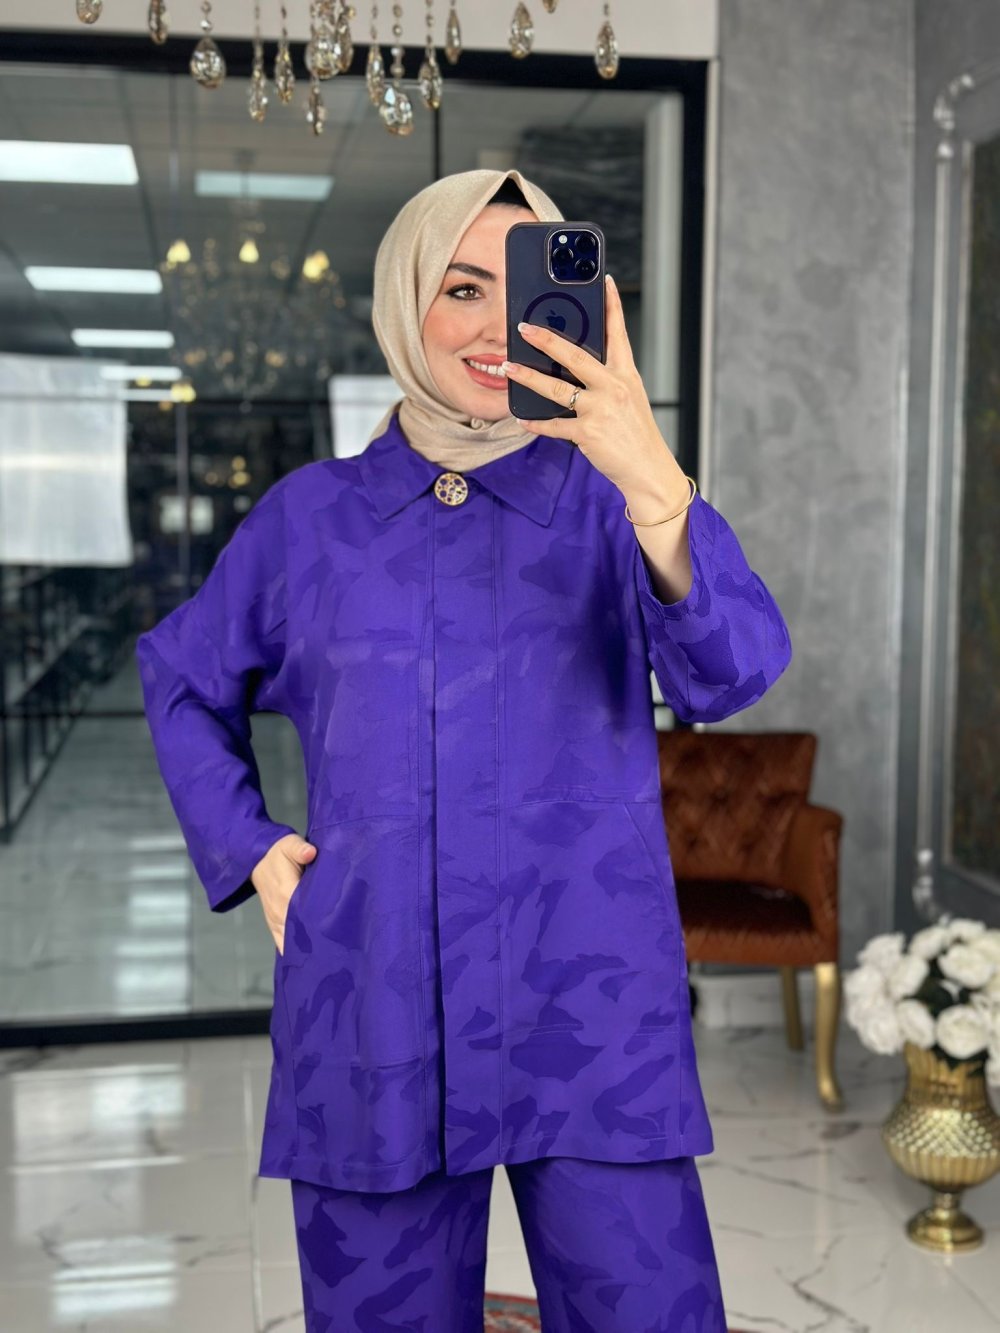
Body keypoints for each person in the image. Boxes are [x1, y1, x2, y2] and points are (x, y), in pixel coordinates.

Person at [136, 168, 792, 1332]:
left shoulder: (609, 501)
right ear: (405, 304)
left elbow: (730, 673)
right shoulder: (310, 521)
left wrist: (654, 476)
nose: (497, 327)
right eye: (461, 287)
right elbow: (181, 676)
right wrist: (250, 847)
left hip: (588, 1006)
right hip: (371, 1002)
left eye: (523, 289)